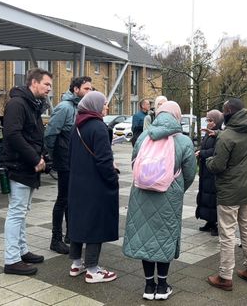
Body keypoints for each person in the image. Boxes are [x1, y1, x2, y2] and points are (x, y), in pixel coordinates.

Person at [123, 101, 196, 301]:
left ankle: (148, 286)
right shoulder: (183, 141)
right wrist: (177, 189)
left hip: (141, 194)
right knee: (164, 238)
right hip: (168, 196)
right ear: (177, 116)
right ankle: (162, 286)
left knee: (145, 238)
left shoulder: (144, 137)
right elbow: (190, 173)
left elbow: (134, 163)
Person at [1, 68, 52, 275]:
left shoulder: (32, 105)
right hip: (18, 166)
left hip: (28, 167)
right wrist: (34, 158)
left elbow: (35, 135)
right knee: (16, 212)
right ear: (34, 82)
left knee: (22, 211)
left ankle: (21, 251)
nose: (49, 88)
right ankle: (12, 259)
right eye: (46, 84)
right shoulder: (17, 104)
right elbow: (12, 134)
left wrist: (43, 157)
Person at [206, 98, 247, 291]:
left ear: (228, 112)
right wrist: (218, 134)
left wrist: (209, 160)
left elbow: (218, 165)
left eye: (224, 110)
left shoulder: (226, 136)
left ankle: (225, 276)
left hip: (229, 189)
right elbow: (238, 142)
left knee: (227, 233)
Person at [67, 91, 119, 283]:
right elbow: (104, 160)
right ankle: (93, 270)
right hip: (95, 185)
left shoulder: (77, 126)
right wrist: (113, 178)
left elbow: (70, 155)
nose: (107, 107)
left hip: (77, 183)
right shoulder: (98, 127)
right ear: (95, 105)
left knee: (78, 221)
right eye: (105, 104)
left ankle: (76, 264)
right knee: (95, 224)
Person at [44, 76, 92, 254]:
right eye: (86, 89)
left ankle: (70, 234)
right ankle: (56, 238)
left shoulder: (80, 107)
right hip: (65, 160)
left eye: (90, 89)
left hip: (75, 160)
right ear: (76, 89)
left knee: (72, 199)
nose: (89, 92)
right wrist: (53, 156)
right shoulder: (64, 108)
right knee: (63, 199)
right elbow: (50, 134)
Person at [195, 109, 224, 236]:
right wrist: (199, 150)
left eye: (211, 120)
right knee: (206, 196)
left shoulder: (220, 134)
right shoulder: (208, 133)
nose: (209, 123)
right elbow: (205, 145)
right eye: (207, 120)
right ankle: (209, 221)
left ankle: (216, 223)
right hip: (205, 169)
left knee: (213, 197)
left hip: (212, 170)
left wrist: (202, 153)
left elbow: (216, 151)